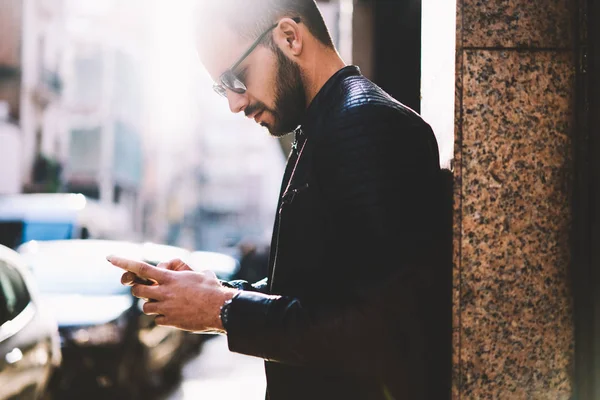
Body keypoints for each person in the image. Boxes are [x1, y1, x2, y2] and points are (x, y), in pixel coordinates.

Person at [108, 1, 449, 398]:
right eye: (222, 88)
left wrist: (221, 308)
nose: (235, 102)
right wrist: (216, 290)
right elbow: (322, 290)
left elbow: (382, 330)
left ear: (290, 37)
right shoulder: (328, 125)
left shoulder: (364, 125)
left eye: (238, 78)